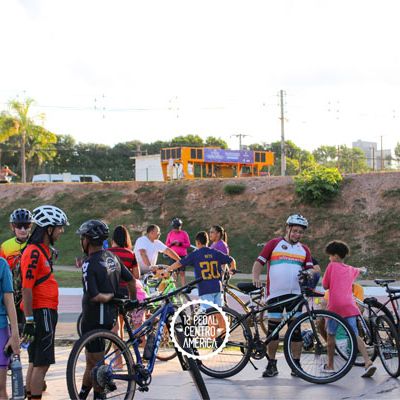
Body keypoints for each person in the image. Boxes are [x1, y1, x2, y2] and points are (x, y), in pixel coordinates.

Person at [252, 214, 320, 378]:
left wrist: (310, 273)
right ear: (288, 229)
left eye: (300, 232)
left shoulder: (304, 249)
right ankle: (271, 364)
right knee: (273, 331)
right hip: (275, 294)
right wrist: (255, 277)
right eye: (295, 231)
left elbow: (310, 269)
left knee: (295, 332)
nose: (297, 234)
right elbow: (259, 262)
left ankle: (296, 365)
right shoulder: (274, 244)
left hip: (295, 295)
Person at [77, 220, 136, 400]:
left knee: (97, 366)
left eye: (82, 238)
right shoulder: (112, 257)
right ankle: (82, 394)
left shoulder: (89, 263)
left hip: (93, 318)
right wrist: (132, 301)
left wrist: (109, 296)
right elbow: (131, 280)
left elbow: (94, 296)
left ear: (87, 240)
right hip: (109, 317)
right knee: (92, 362)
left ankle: (99, 395)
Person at [21, 205, 69, 400]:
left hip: (44, 311)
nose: (61, 231)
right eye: (59, 227)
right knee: (42, 364)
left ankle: (29, 394)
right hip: (42, 311)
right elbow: (26, 287)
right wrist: (29, 320)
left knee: (35, 361)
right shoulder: (34, 252)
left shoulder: (41, 250)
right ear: (48, 229)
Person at [322, 240, 376, 377]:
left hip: (335, 306)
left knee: (331, 335)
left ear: (335, 256)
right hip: (350, 306)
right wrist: (362, 269)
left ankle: (330, 366)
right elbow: (359, 270)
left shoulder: (331, 266)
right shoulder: (350, 269)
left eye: (330, 256)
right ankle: (368, 361)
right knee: (354, 334)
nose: (329, 258)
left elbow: (325, 285)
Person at [167, 231, 236, 310]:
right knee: (219, 312)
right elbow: (231, 260)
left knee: (208, 313)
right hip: (217, 287)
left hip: (205, 288)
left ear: (198, 242)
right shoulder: (215, 252)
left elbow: (179, 263)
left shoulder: (196, 254)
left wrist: (167, 269)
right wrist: (232, 268)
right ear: (207, 241)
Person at [108, 225, 145, 339]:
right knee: (122, 319)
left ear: (113, 238)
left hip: (110, 291)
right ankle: (123, 346)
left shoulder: (107, 253)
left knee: (115, 325)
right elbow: (136, 275)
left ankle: (117, 350)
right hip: (126, 291)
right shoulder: (130, 254)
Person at [0, 208, 33, 330]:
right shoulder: (5, 246)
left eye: (26, 226)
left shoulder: (35, 243)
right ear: (12, 227)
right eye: (19, 226)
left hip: (30, 292)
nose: (23, 230)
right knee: (16, 327)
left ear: (31, 226)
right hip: (13, 293)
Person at [0, 256, 20, 400]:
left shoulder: (2, 265)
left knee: (0, 388)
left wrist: (15, 335)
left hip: (1, 329)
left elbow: (9, 300)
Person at [165, 218, 191, 286]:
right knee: (174, 272)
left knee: (182, 272)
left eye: (177, 228)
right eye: (174, 228)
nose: (176, 229)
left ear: (180, 226)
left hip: (182, 256)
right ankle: (174, 287)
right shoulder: (170, 234)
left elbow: (188, 244)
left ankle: (183, 287)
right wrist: (172, 244)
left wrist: (180, 244)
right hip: (173, 255)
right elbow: (166, 245)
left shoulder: (184, 233)